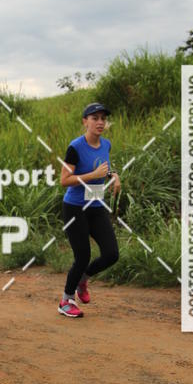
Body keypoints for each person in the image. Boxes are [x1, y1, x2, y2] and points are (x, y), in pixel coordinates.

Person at [58, 102, 121, 318]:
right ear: (85, 121)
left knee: (112, 253)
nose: (100, 122)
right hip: (75, 208)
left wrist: (113, 174)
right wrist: (93, 175)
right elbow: (64, 180)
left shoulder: (106, 144)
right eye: (95, 118)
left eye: (103, 118)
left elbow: (104, 165)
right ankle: (66, 301)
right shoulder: (75, 147)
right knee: (82, 255)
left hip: (96, 206)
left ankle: (83, 280)